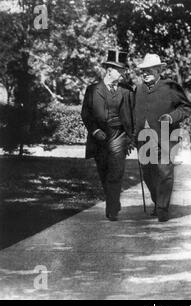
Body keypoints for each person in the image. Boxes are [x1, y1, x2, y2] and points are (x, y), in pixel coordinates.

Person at [135, 54, 191, 222]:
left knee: (164, 173)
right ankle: (157, 201)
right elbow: (132, 113)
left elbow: (186, 107)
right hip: (144, 140)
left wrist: (172, 117)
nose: (145, 74)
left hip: (166, 137)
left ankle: (162, 208)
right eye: (143, 71)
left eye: (149, 70)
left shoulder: (170, 87)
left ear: (159, 70)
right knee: (148, 174)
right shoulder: (138, 90)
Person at [81, 49, 135, 221]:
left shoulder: (126, 91)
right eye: (120, 70)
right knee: (104, 171)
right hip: (100, 137)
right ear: (109, 70)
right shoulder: (92, 90)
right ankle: (114, 200)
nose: (123, 73)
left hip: (119, 135)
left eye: (124, 70)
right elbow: (86, 114)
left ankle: (112, 210)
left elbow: (133, 115)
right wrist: (95, 131)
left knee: (115, 172)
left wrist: (132, 138)